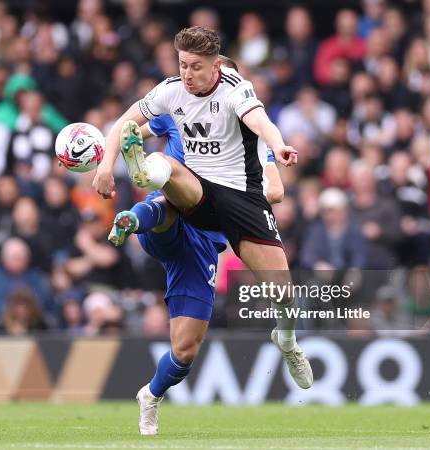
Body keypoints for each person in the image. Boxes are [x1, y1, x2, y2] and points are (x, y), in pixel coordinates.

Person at [92, 26, 312, 432]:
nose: (187, 73)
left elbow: (263, 123)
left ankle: (286, 340)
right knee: (170, 171)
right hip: (195, 195)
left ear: (217, 67)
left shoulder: (235, 90)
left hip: (240, 199)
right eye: (183, 65)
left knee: (281, 292)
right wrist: (106, 164)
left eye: (196, 66)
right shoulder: (170, 93)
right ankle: (144, 174)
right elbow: (125, 124)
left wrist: (279, 147)